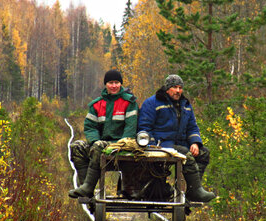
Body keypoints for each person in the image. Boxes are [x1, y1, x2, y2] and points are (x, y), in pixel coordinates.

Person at [137, 74, 215, 202]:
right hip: (161, 145)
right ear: (167, 89)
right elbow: (144, 127)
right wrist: (151, 145)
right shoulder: (152, 103)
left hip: (180, 143)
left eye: (180, 87)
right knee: (187, 156)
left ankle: (192, 189)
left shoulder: (185, 105)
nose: (178, 91)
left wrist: (195, 143)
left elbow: (192, 127)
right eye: (174, 87)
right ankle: (195, 191)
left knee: (203, 153)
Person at [69, 69, 138, 198]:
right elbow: (90, 127)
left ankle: (88, 187)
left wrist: (120, 145)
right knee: (76, 146)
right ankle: (85, 189)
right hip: (100, 146)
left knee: (98, 146)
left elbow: (131, 127)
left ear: (121, 84)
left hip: (122, 146)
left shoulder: (129, 103)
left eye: (116, 82)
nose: (114, 86)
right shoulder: (96, 105)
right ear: (106, 84)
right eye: (110, 82)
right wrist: (94, 141)